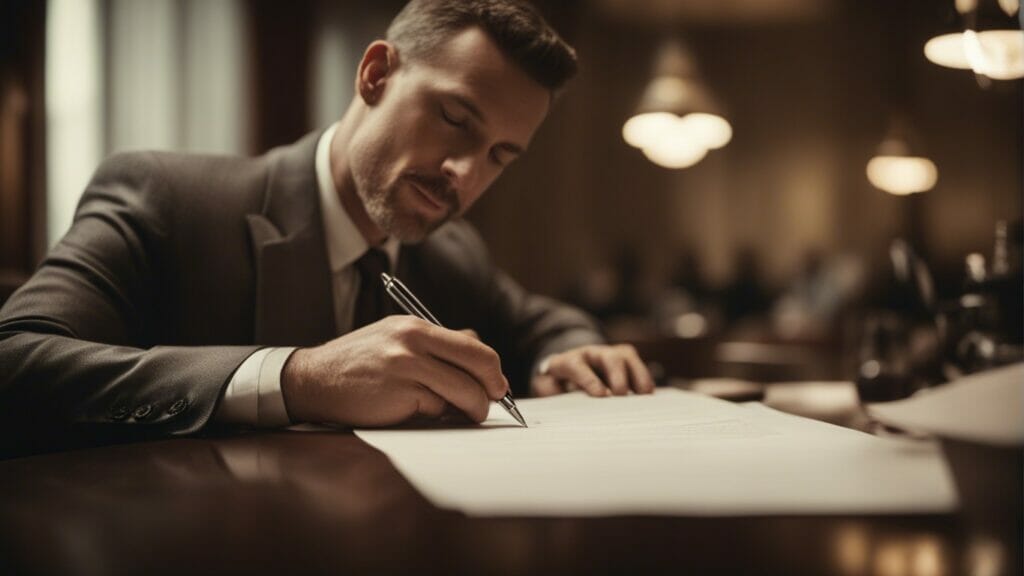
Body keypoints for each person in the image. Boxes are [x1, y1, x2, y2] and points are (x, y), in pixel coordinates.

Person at [0, 0, 653, 455]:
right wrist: (300, 379)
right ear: (375, 74)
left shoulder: (453, 253)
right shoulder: (164, 198)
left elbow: (537, 323)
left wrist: (570, 350)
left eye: (500, 157)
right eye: (456, 119)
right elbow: (16, 364)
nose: (465, 172)